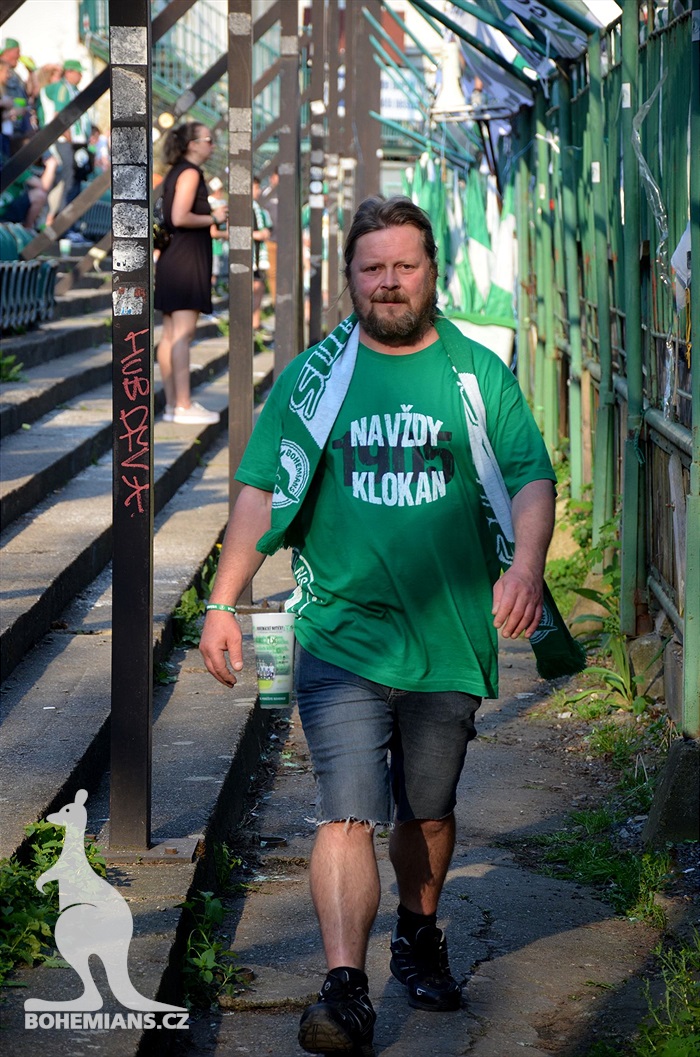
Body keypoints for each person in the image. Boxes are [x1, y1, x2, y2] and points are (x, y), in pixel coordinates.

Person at [199, 196, 557, 1056]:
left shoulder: (477, 373)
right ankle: (344, 987)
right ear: (350, 277)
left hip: (448, 633)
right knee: (345, 810)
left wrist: (527, 565)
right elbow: (259, 489)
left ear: (433, 272)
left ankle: (421, 933)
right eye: (373, 268)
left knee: (428, 811)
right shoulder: (316, 377)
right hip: (338, 632)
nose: (389, 283)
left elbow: (530, 477)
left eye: (404, 266)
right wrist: (223, 598)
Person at [154, 122, 227, 425]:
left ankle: (174, 404)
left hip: (175, 258)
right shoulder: (190, 173)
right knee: (182, 334)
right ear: (192, 144)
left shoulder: (178, 171)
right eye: (209, 140)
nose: (213, 145)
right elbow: (179, 216)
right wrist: (214, 216)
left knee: (171, 335)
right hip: (185, 259)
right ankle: (182, 404)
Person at [37, 59, 91, 233]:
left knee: (74, 180)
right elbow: (60, 114)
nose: (81, 75)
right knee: (68, 180)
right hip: (63, 141)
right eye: (78, 72)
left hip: (74, 142)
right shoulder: (62, 87)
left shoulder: (72, 89)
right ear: (69, 72)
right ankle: (59, 225)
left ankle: (67, 224)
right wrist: (68, 138)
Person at [252, 175, 271, 335]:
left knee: (259, 286)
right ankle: (251, 322)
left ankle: (256, 322)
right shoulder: (244, 206)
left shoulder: (257, 207)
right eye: (256, 188)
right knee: (254, 286)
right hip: (250, 256)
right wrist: (256, 234)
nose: (258, 191)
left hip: (258, 255)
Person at [260, 166, 279, 302]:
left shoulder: (288, 194)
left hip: (287, 241)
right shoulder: (265, 195)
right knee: (272, 273)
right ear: (272, 178)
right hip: (270, 240)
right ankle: (276, 303)